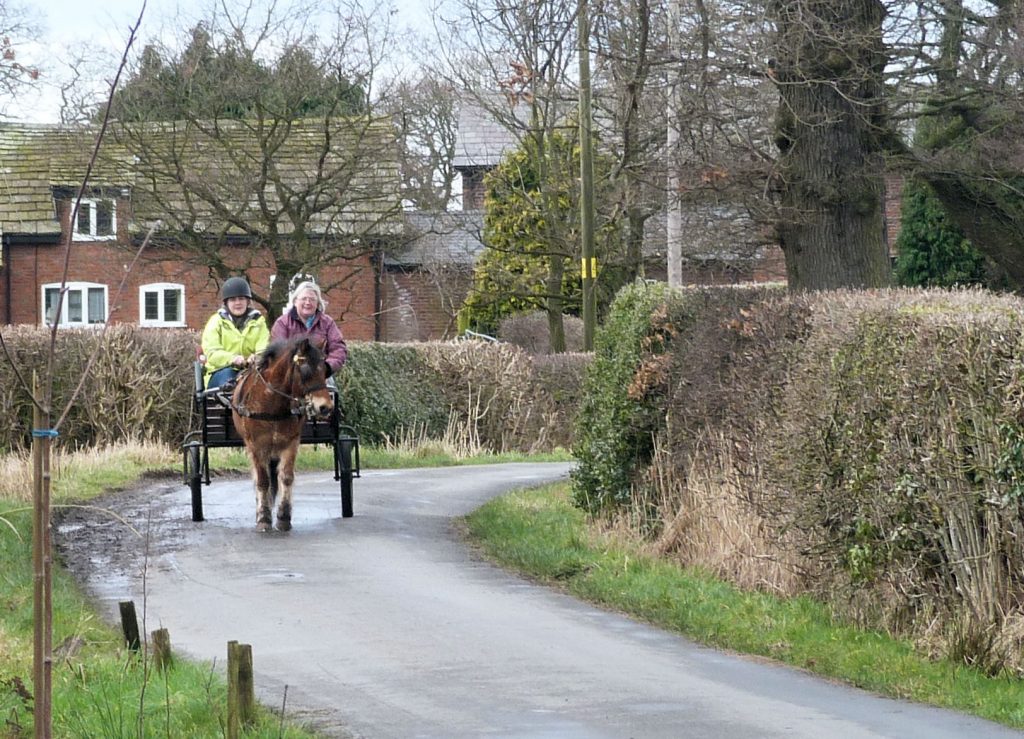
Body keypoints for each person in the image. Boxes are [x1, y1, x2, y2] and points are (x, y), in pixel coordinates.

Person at [201, 277, 270, 389]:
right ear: (226, 302)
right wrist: (232, 359)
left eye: (241, 298)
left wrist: (257, 357)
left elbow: (264, 347)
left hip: (252, 371)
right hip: (221, 372)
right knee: (230, 380)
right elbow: (212, 353)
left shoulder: (259, 322)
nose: (237, 303)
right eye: (233, 299)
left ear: (247, 301)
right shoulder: (215, 322)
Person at [271, 280, 347, 378]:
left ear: (318, 303)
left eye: (312, 299)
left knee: (332, 392)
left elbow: (338, 348)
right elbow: (279, 350)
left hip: (320, 373)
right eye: (304, 299)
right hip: (290, 375)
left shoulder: (327, 322)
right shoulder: (282, 322)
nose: (308, 302)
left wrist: (327, 367)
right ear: (295, 301)